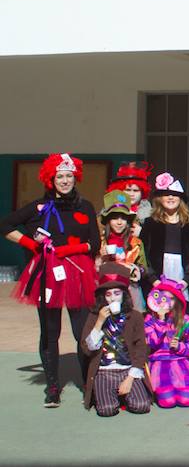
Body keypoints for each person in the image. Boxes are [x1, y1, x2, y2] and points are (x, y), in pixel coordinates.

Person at [2, 153, 100, 406]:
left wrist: (69, 251)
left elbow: (95, 243)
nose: (65, 181)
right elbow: (6, 226)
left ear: (75, 178)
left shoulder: (85, 206)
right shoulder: (37, 207)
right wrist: (29, 244)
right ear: (50, 179)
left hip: (78, 274)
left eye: (69, 176)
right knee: (50, 332)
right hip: (48, 276)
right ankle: (53, 387)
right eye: (60, 177)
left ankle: (87, 383)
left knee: (82, 331)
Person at [81, 263, 151, 416]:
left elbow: (141, 348)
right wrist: (99, 322)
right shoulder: (94, 316)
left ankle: (125, 394)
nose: (113, 298)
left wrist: (131, 378)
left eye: (117, 293)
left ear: (124, 295)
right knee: (106, 410)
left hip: (127, 370)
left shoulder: (135, 316)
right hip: (104, 371)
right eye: (108, 294)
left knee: (141, 406)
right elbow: (87, 349)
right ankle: (111, 396)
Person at [141, 172, 189, 317]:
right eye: (166, 194)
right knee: (159, 317)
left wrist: (185, 281)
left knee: (181, 317)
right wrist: (154, 280)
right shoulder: (150, 223)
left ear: (181, 199)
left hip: (183, 276)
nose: (170, 197)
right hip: (157, 277)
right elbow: (143, 254)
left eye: (174, 194)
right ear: (160, 198)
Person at [144, 276, 189, 408]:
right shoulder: (150, 320)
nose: (166, 302)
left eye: (171, 299)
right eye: (163, 298)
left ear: (178, 301)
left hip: (180, 363)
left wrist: (180, 346)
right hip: (160, 365)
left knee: (186, 401)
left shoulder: (184, 320)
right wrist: (161, 321)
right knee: (167, 402)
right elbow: (151, 343)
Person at [98, 190, 147, 311]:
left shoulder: (136, 243)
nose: (119, 222)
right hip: (107, 293)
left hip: (131, 291)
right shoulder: (101, 242)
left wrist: (137, 270)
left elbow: (144, 268)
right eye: (115, 218)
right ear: (108, 220)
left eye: (123, 218)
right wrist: (101, 258)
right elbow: (93, 271)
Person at [106, 161, 154, 226]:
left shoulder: (151, 214)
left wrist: (141, 233)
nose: (131, 194)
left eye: (136, 190)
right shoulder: (108, 209)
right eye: (128, 190)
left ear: (142, 192)